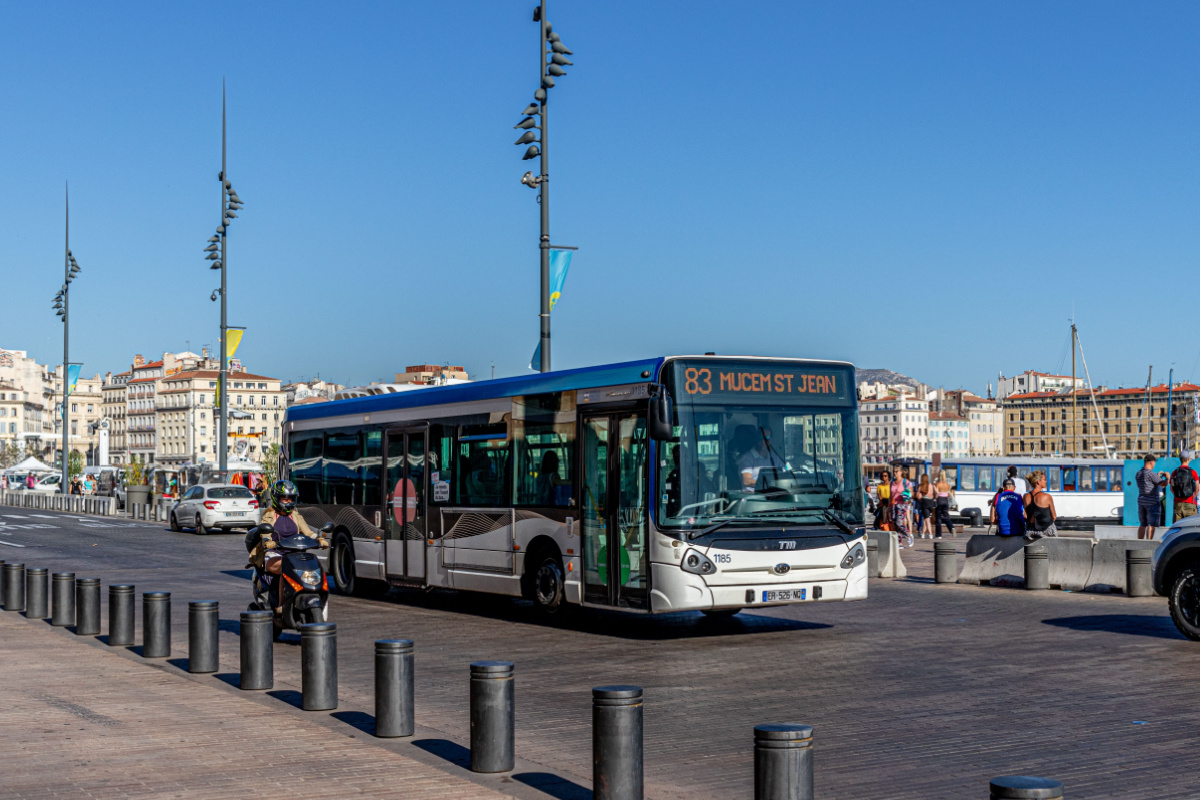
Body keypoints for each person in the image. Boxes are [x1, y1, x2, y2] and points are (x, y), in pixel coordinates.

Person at [248, 480, 328, 611]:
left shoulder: (295, 515)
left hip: (295, 554)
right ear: (276, 498)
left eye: (290, 498)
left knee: (314, 565)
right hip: (274, 555)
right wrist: (268, 541)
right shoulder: (269, 514)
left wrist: (319, 539)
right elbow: (265, 533)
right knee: (287, 566)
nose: (288, 501)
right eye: (284, 499)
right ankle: (280, 605)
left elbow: (308, 532)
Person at [737, 425, 786, 491]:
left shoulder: (774, 457)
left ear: (771, 440)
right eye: (761, 438)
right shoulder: (746, 458)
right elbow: (747, 481)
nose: (763, 442)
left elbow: (785, 474)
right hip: (753, 498)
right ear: (756, 439)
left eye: (767, 438)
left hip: (773, 495)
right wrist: (769, 484)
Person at [1136, 454, 1169, 540]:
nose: (1154, 464)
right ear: (1151, 462)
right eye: (1154, 462)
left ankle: (1139, 543)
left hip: (1141, 501)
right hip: (1152, 502)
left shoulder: (1138, 474)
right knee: (1151, 524)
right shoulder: (1151, 474)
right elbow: (1163, 484)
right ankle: (1148, 543)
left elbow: (1148, 483)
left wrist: (1157, 477)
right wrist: (1167, 478)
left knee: (1143, 524)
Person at [1023, 470, 1058, 541]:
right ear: (1038, 482)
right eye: (1044, 479)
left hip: (1030, 531)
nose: (1046, 481)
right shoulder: (1047, 497)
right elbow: (1054, 516)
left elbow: (1025, 516)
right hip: (1046, 530)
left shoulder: (1025, 496)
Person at [1170, 454, 1199, 522]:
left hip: (1178, 504)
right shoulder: (1193, 472)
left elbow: (1171, 489)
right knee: (1191, 528)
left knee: (1177, 528)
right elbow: (1197, 489)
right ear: (1188, 459)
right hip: (1190, 503)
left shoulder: (1174, 472)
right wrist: (1193, 497)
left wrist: (1177, 495)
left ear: (1180, 459)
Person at [933, 469, 954, 538]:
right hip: (946, 500)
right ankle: (951, 528)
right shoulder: (947, 485)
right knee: (946, 516)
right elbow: (948, 494)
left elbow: (937, 494)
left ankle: (939, 534)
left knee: (938, 517)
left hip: (940, 500)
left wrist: (935, 499)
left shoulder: (938, 484)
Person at [914, 473, 935, 538]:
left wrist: (921, 499)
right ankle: (923, 533)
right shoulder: (931, 485)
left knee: (927, 519)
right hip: (931, 503)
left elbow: (919, 496)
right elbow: (932, 494)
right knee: (925, 518)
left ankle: (930, 534)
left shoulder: (921, 486)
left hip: (924, 503)